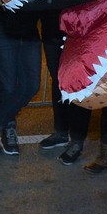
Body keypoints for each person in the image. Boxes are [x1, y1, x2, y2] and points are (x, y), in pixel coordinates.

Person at [0, 0, 41, 157]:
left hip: (29, 30)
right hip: (1, 30)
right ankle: (8, 129)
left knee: (32, 86)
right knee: (8, 88)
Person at [37, 9, 93, 164]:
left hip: (79, 25)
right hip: (52, 26)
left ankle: (77, 141)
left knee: (79, 82)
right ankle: (60, 131)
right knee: (58, 81)